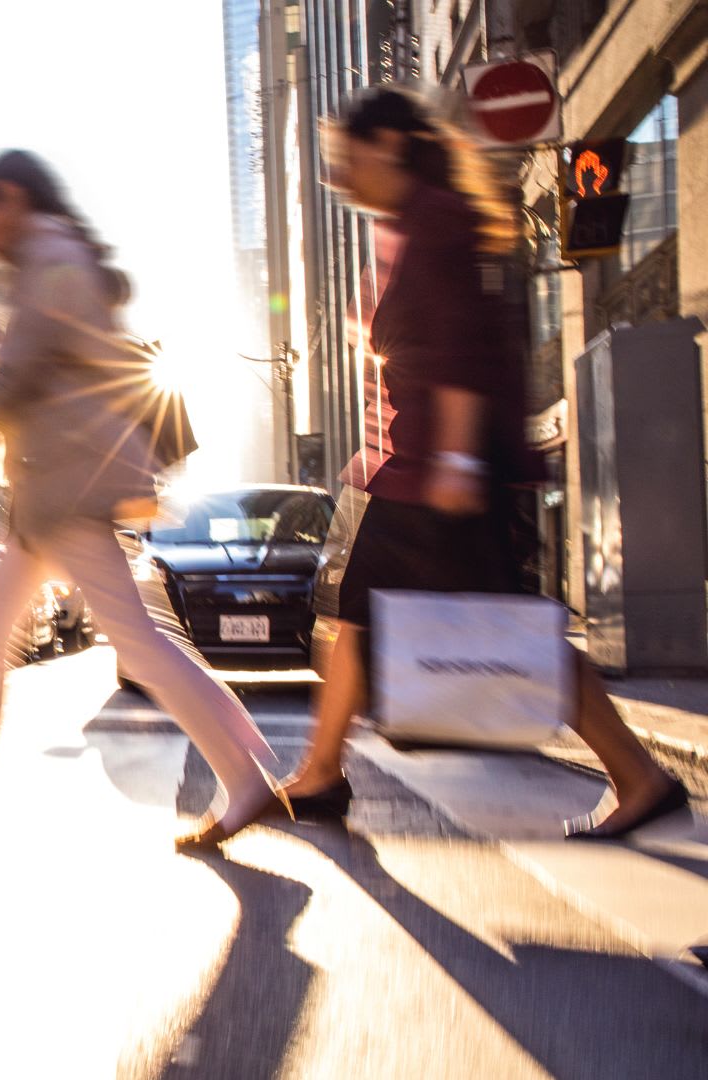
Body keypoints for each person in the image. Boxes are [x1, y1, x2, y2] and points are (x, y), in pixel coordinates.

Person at [283, 88, 687, 840]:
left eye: (348, 157)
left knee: (378, 614)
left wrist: (461, 461)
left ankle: (324, 772)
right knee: (369, 614)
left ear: (392, 145)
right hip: (416, 465)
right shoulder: (406, 224)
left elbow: (459, 347)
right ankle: (324, 770)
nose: (339, 176)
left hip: (439, 470)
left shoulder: (433, 219)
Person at [0, 150, 285, 851]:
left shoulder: (50, 260)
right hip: (48, 494)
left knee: (138, 644)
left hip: (70, 495)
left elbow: (6, 388)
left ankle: (247, 774)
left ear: (12, 197)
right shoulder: (52, 258)